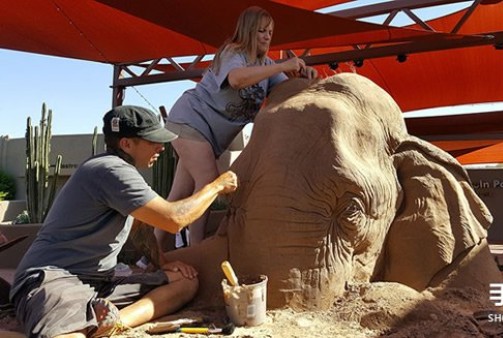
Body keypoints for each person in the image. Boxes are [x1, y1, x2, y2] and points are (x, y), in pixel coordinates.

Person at [9, 105, 238, 338]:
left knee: (185, 283)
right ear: (126, 144)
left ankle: (112, 323)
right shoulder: (110, 170)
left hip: (98, 282)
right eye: (152, 141)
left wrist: (161, 262)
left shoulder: (119, 171)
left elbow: (139, 227)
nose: (161, 147)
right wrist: (216, 186)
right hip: (55, 279)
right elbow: (175, 219)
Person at [156, 6, 318, 250]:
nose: (267, 36)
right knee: (208, 182)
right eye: (261, 30)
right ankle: (198, 249)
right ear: (248, 30)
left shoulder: (267, 66)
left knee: (179, 196)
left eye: (270, 32)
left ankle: (152, 256)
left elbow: (285, 92)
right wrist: (282, 66)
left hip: (209, 138)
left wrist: (305, 79)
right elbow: (236, 79)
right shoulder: (234, 53)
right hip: (190, 120)